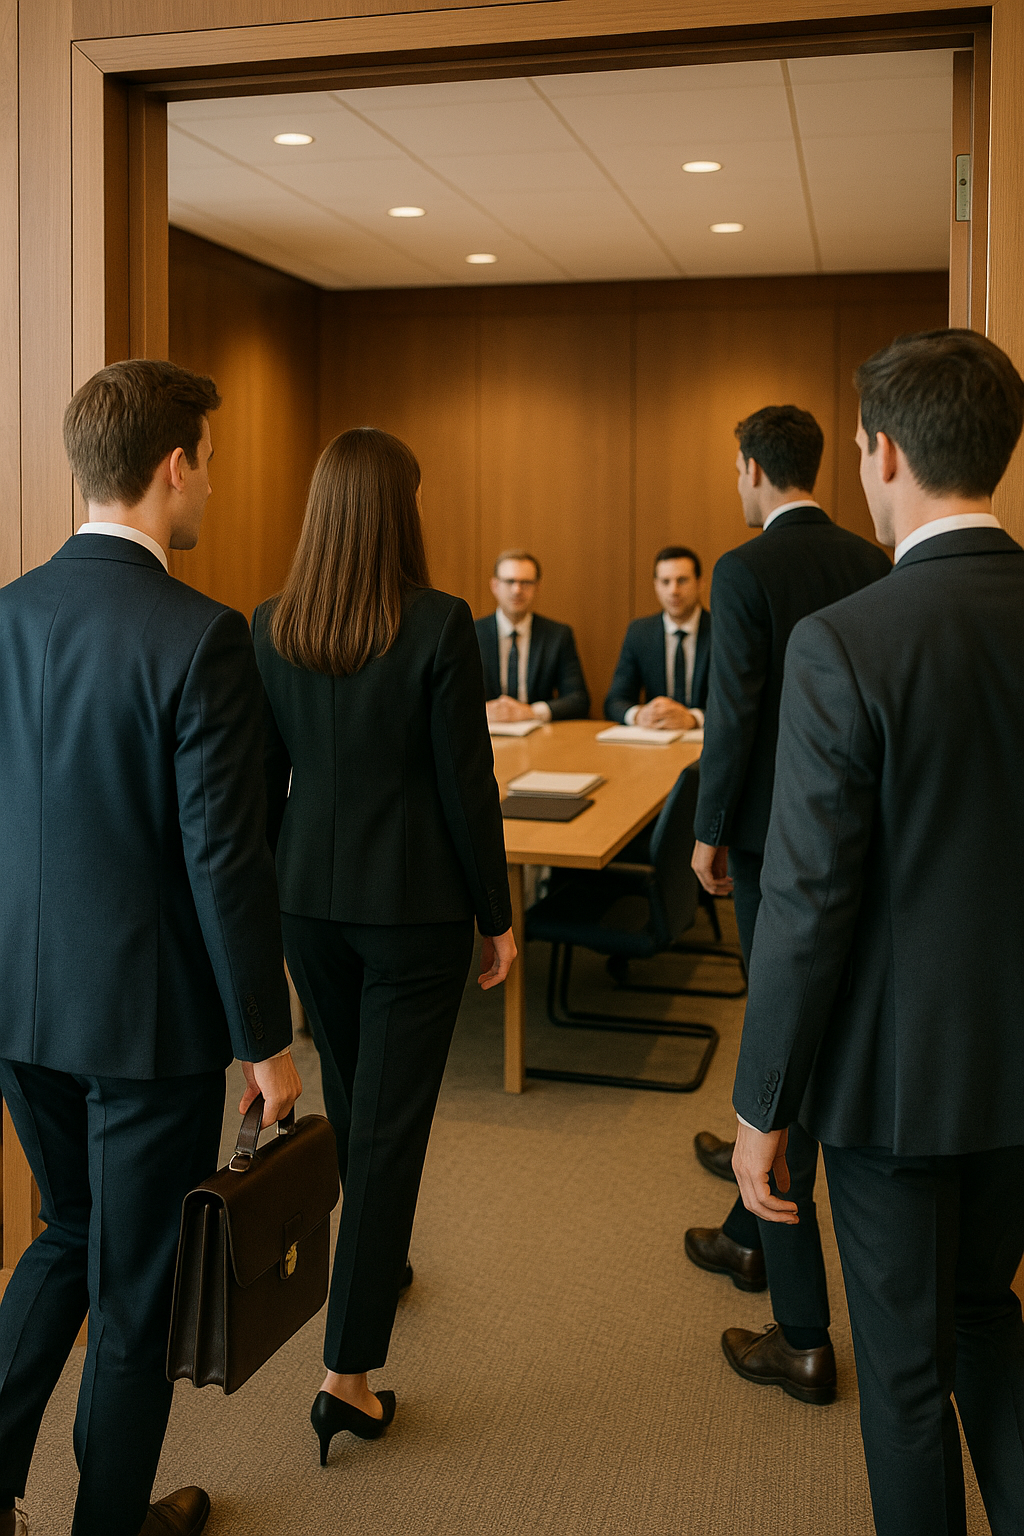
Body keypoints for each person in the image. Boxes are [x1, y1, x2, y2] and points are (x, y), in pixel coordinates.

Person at [0, 360, 301, 1536]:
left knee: (66, 1235)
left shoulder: (7, 612)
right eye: (208, 464)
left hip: (21, 1012)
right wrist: (265, 1042)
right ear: (175, 465)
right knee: (135, 1297)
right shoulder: (200, 635)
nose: (209, 488)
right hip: (144, 1030)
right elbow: (224, 860)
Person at [731, 329, 1024, 1533]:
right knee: (988, 1317)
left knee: (903, 1377)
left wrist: (762, 1106)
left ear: (883, 454)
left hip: (892, 1084)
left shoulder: (846, 641)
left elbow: (805, 905)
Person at [252, 428, 516, 1466]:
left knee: (358, 1099)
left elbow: (263, 785)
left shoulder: (272, 625)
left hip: (306, 909)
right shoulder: (439, 624)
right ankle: (346, 1375)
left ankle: (374, 1260)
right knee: (388, 1133)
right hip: (412, 912)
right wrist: (497, 918)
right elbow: (465, 788)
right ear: (400, 510)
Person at [687, 404, 890, 1403]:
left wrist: (707, 828)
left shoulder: (743, 570)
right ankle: (739, 1227)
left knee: (784, 1053)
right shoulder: (875, 560)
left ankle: (799, 1329)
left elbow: (734, 711)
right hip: (868, 846)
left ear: (753, 470)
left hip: (776, 847)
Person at [476, 550, 590, 722]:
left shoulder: (557, 635)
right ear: (495, 586)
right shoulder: (471, 633)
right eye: (510, 581)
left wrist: (530, 712)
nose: (517, 590)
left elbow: (578, 700)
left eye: (526, 583)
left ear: (538, 587)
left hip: (538, 736)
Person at [604, 545, 710, 729]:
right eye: (665, 582)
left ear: (700, 583)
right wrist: (638, 715)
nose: (673, 591)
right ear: (655, 585)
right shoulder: (639, 632)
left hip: (705, 740)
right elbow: (615, 701)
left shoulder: (722, 630)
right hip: (656, 742)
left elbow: (737, 700)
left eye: (682, 580)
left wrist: (694, 718)